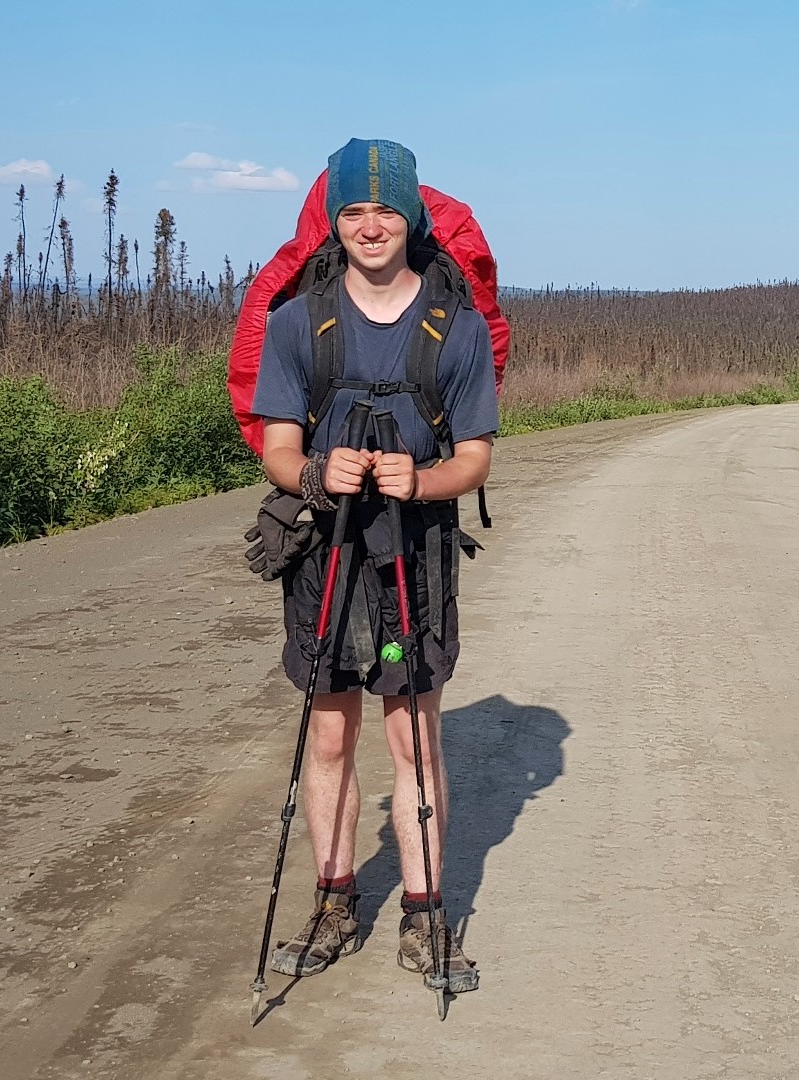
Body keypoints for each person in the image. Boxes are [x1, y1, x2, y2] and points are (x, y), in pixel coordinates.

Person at [249, 138, 495, 988]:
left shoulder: (454, 328)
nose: (370, 226)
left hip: (414, 553)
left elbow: (475, 460)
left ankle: (426, 918)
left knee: (413, 735)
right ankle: (333, 900)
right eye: (353, 210)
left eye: (386, 210)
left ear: (412, 217)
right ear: (336, 219)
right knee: (327, 732)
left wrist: (418, 479)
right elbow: (278, 446)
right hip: (325, 549)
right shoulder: (297, 325)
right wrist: (317, 472)